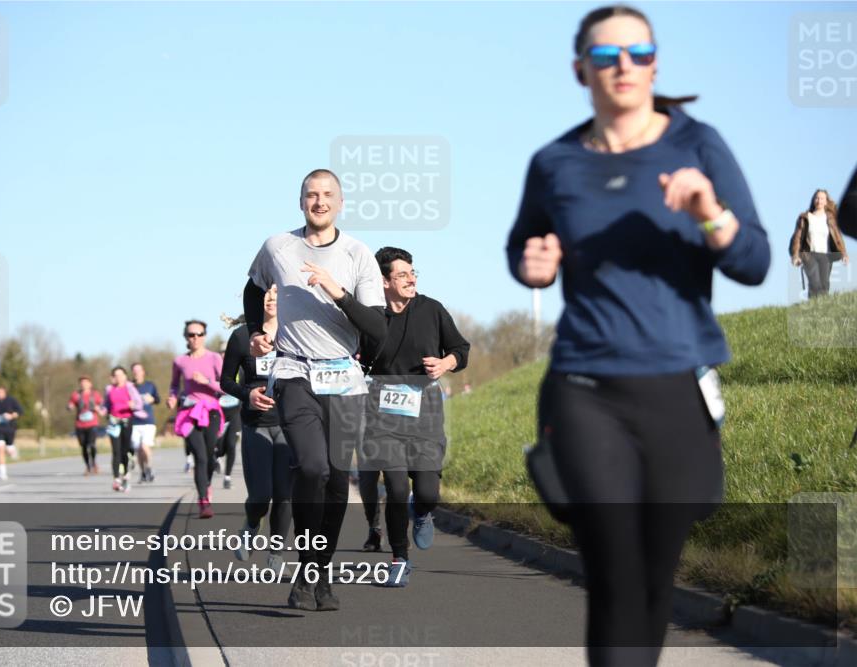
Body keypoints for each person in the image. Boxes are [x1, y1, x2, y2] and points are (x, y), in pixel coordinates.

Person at [506, 6, 769, 665]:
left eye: (639, 52)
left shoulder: (698, 146)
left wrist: (710, 212)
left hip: (678, 388)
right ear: (580, 70)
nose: (623, 65)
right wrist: (533, 264)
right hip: (585, 387)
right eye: (606, 55)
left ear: (655, 64)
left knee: (653, 579)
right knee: (616, 573)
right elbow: (523, 245)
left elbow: (755, 262)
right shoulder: (555, 162)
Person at [244, 168, 387, 611]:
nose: (319, 201)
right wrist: (258, 332)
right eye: (311, 194)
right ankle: (309, 568)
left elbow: (378, 327)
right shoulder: (277, 247)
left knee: (337, 479)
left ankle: (318, 571)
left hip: (343, 376)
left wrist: (337, 291)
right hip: (294, 371)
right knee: (311, 467)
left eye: (327, 195)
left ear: (340, 203)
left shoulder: (358, 254)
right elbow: (252, 290)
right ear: (301, 201)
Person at [356, 247, 469, 587]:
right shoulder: (371, 316)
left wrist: (445, 363)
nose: (411, 279)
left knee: (427, 491)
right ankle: (399, 559)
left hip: (425, 411)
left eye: (413, 273)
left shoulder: (431, 309)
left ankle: (421, 512)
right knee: (394, 487)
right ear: (384, 281)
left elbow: (460, 349)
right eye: (402, 274)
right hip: (383, 413)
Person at [222, 287, 290, 570]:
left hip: (289, 424)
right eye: (265, 293)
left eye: (276, 292)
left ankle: (276, 555)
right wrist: (247, 394)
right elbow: (226, 381)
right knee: (261, 496)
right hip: (255, 424)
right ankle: (251, 525)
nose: (271, 298)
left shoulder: (295, 334)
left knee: (284, 495)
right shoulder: (241, 337)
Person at [168, 319, 226, 517]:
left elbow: (226, 386)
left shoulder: (214, 358)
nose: (195, 338)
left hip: (211, 411)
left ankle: (206, 485)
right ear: (185, 337)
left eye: (199, 334)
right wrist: (172, 398)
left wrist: (207, 381)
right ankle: (203, 501)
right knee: (199, 456)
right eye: (191, 334)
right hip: (189, 413)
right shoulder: (179, 361)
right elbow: (174, 385)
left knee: (209, 456)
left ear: (204, 336)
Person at [790, 189, 849, 298]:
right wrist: (795, 255)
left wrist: (844, 254)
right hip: (809, 255)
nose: (819, 200)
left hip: (825, 255)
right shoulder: (805, 218)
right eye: (817, 198)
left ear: (826, 201)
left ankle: (822, 306)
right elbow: (797, 238)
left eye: (822, 198)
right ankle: (812, 304)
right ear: (813, 200)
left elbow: (837, 237)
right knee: (814, 283)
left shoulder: (830, 219)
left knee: (824, 284)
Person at [102, 366, 143, 493]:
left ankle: (125, 475)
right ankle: (116, 479)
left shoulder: (130, 387)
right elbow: (106, 405)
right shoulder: (109, 389)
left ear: (125, 376)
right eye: (116, 375)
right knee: (116, 451)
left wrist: (133, 405)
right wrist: (102, 411)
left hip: (126, 421)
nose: (118, 377)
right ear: (113, 377)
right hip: (114, 422)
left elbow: (139, 404)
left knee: (124, 450)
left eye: (121, 375)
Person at [216, 340, 241, 490]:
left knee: (231, 444)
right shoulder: (215, 368)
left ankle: (227, 477)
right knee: (219, 446)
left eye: (227, 352)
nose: (224, 355)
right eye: (222, 352)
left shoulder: (238, 366)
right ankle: (217, 456)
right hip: (219, 412)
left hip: (235, 411)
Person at [131, 362, 160, 483]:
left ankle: (149, 468)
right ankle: (142, 472)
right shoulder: (130, 387)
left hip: (148, 422)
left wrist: (152, 399)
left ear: (143, 372)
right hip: (134, 422)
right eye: (134, 371)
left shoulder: (150, 385)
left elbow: (158, 400)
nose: (136, 373)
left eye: (139, 370)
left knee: (145, 446)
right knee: (138, 449)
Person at [0, 386, 23, 480]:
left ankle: (11, 449)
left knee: (9, 449)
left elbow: (20, 411)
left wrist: (11, 416)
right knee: (0, 449)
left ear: (5, 392)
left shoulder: (11, 400)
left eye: (0, 392)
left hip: (10, 428)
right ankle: (2, 472)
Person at [67, 376, 102, 475]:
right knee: (83, 446)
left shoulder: (95, 394)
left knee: (92, 445)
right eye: (82, 382)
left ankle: (94, 462)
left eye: (86, 382)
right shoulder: (76, 395)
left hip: (93, 424)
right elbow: (70, 404)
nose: (84, 384)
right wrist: (70, 407)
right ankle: (88, 466)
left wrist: (98, 408)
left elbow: (103, 405)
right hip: (80, 425)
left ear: (90, 384)